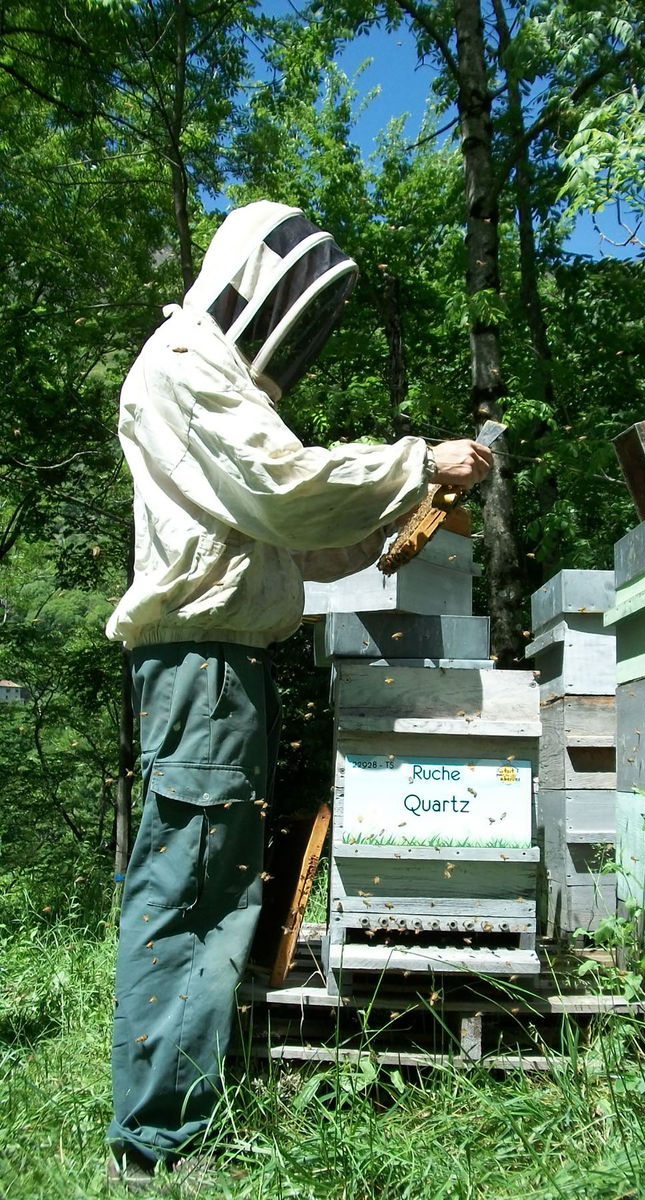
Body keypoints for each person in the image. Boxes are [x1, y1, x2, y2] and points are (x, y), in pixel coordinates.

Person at [104, 199, 492, 1183]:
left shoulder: (210, 375)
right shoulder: (189, 360)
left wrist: (391, 523)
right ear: (258, 283)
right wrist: (415, 461)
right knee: (188, 892)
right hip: (202, 664)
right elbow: (281, 488)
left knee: (213, 887)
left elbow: (283, 534)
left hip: (219, 664)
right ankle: (155, 1142)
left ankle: (176, 1111)